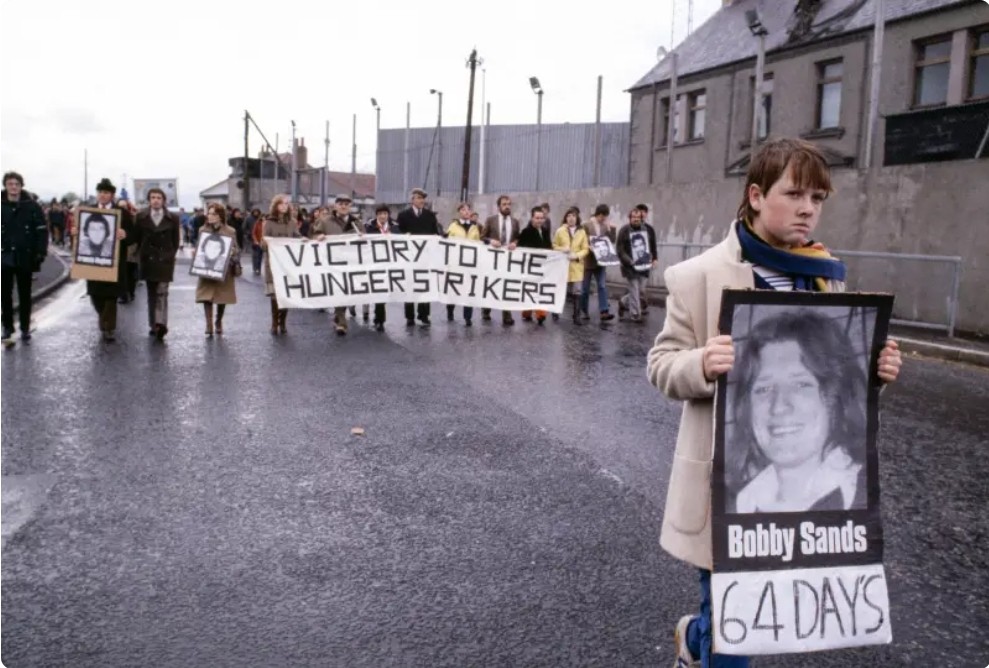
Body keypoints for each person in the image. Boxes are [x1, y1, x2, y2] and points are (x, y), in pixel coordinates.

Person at [645, 137, 902, 668]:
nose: (809, 208)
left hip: (802, 493)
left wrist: (875, 372)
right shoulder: (697, 276)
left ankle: (695, 638)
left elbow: (831, 384)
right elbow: (661, 365)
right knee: (734, 634)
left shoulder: (827, 277)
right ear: (757, 195)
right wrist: (700, 365)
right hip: (727, 486)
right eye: (795, 194)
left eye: (818, 197)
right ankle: (707, 639)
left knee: (757, 621)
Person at [729, 309, 868, 513]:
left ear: (836, 397)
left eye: (800, 385)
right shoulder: (741, 504)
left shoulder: (864, 495)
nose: (778, 406)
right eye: (764, 388)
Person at [83, 178, 133, 342]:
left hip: (115, 262)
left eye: (106, 192)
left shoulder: (122, 213)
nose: (103, 195)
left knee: (111, 296)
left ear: (112, 195)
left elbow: (133, 235)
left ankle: (109, 327)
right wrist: (75, 232)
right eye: (100, 192)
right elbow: (81, 235)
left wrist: (125, 235)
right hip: (94, 261)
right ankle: (104, 320)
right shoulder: (88, 212)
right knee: (96, 295)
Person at [1, 171, 48, 342]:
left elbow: (42, 230)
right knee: (5, 295)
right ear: (5, 186)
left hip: (25, 255)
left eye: (17, 184)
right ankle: (7, 327)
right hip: (4, 255)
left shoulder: (32, 206)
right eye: (10, 184)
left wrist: (41, 252)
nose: (13, 187)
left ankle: (25, 327)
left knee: (25, 294)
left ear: (21, 186)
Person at [133, 188, 181, 340]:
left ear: (163, 200)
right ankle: (153, 324)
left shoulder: (172, 218)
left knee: (162, 292)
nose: (155, 200)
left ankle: (161, 323)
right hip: (148, 260)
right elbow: (136, 238)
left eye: (159, 197)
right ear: (149, 200)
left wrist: (169, 256)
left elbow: (175, 240)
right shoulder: (141, 217)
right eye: (153, 197)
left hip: (164, 260)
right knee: (151, 293)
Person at [312, 193, 364, 336]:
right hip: (332, 262)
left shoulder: (356, 222)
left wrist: (362, 238)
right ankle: (341, 321)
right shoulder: (325, 221)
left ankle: (338, 316)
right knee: (338, 289)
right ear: (335, 205)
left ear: (350, 206)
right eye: (340, 203)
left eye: (346, 204)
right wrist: (318, 237)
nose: (343, 206)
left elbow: (365, 241)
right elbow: (313, 235)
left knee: (346, 290)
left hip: (350, 262)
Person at [396, 188, 439, 327]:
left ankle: (424, 315)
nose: (422, 201)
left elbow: (435, 232)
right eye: (419, 198)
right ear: (412, 200)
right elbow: (397, 233)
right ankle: (410, 316)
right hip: (409, 257)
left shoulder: (430, 215)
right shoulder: (403, 215)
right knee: (409, 286)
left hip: (425, 257)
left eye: (423, 198)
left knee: (424, 286)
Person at [195, 204, 238, 338]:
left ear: (220, 216)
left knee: (221, 297)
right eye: (209, 213)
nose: (210, 216)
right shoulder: (202, 229)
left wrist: (232, 251)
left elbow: (236, 248)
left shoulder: (230, 231)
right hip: (207, 267)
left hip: (223, 267)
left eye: (214, 214)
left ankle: (218, 321)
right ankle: (209, 325)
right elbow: (200, 246)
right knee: (206, 296)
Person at [262, 194, 300, 335]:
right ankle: (274, 322)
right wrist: (266, 242)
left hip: (287, 264)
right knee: (275, 296)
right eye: (281, 203)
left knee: (285, 294)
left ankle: (283, 321)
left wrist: (305, 240)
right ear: (276, 206)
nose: (284, 206)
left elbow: (297, 236)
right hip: (273, 263)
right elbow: (263, 243)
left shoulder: (292, 222)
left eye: (286, 203)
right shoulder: (269, 222)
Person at [481, 194, 520, 326]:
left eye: (509, 204)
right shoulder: (490, 220)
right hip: (492, 259)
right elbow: (482, 237)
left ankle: (507, 315)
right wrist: (491, 241)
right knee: (491, 284)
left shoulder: (515, 222)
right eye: (504, 204)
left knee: (506, 285)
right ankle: (486, 309)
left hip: (508, 259)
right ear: (498, 207)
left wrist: (515, 243)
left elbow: (517, 238)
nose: (507, 206)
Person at [616, 207, 657, 323]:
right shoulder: (624, 231)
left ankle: (623, 302)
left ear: (641, 218)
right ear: (630, 218)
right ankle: (635, 314)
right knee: (634, 288)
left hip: (644, 265)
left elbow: (652, 245)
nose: (636, 219)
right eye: (633, 217)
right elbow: (620, 249)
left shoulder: (647, 230)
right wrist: (629, 260)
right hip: (629, 266)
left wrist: (654, 258)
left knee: (641, 290)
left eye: (638, 217)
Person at [444, 202, 481, 326]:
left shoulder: (474, 227)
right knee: (454, 289)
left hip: (469, 264)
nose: (466, 212)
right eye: (463, 210)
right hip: (455, 263)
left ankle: (467, 317)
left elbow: (478, 244)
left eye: (468, 210)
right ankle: (450, 310)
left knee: (469, 290)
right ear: (459, 212)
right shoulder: (453, 226)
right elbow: (447, 242)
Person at [365, 204, 400, 332]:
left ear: (388, 215)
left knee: (383, 292)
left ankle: (380, 319)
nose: (383, 216)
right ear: (377, 215)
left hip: (389, 263)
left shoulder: (395, 227)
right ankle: (376, 317)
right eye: (380, 214)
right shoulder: (369, 227)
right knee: (376, 291)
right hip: (374, 263)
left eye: (385, 214)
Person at [552, 206, 589, 324]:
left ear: (577, 218)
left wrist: (577, 255)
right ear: (565, 218)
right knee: (561, 289)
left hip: (576, 265)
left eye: (573, 216)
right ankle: (556, 311)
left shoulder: (582, 232)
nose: (571, 218)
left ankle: (576, 315)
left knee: (577, 291)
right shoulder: (560, 231)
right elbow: (554, 245)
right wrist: (562, 249)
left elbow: (585, 249)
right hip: (563, 265)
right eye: (568, 216)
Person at [581, 203, 617, 322]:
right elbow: (581, 239)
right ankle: (584, 311)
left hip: (601, 262)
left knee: (602, 286)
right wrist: (588, 245)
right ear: (598, 215)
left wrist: (610, 229)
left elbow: (612, 240)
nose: (604, 219)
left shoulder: (605, 226)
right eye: (603, 217)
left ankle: (604, 311)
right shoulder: (586, 225)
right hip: (588, 261)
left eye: (605, 217)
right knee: (585, 288)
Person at [518, 206, 553, 325]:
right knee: (530, 289)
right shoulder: (525, 232)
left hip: (543, 266)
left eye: (541, 218)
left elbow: (549, 247)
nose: (539, 220)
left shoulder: (545, 231)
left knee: (541, 289)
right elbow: (521, 248)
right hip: (530, 267)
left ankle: (541, 314)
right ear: (532, 218)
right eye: (537, 218)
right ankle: (527, 312)